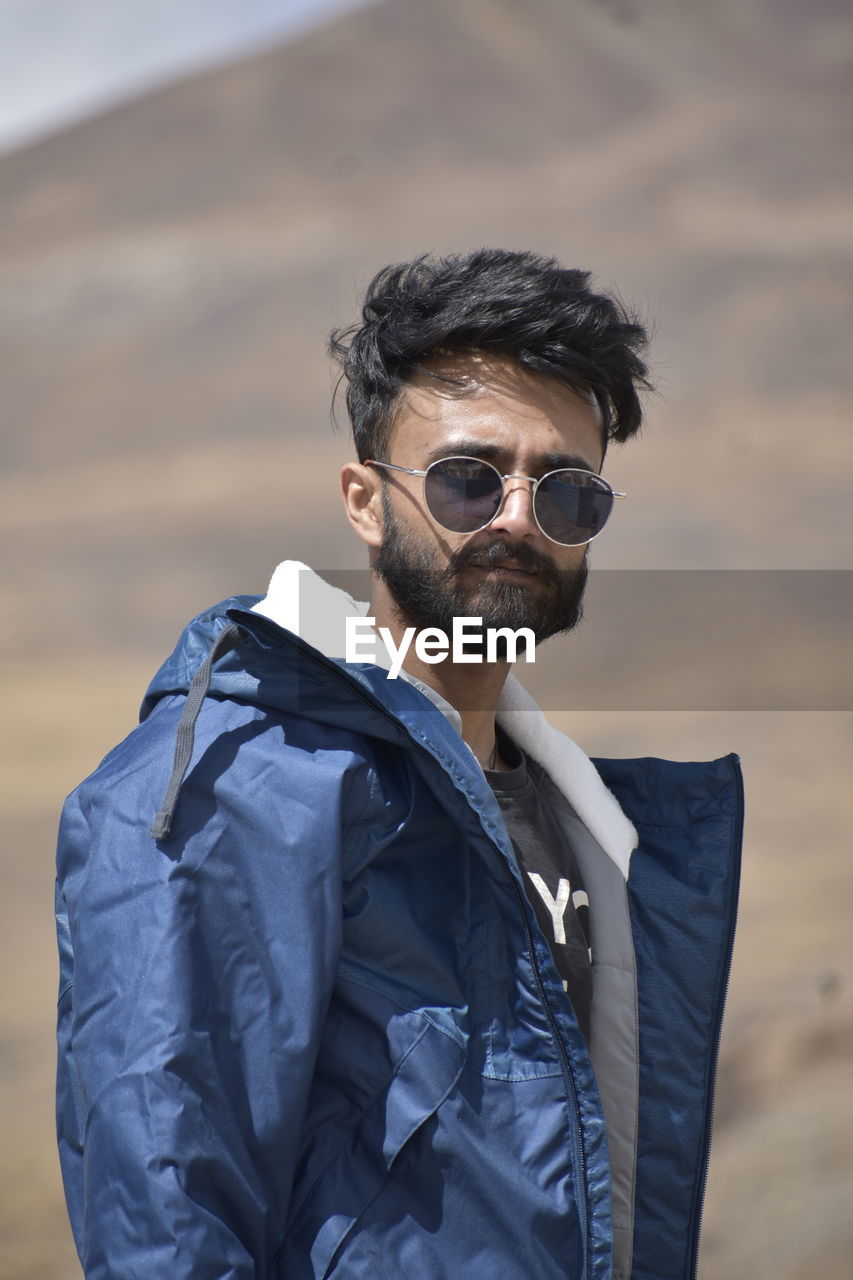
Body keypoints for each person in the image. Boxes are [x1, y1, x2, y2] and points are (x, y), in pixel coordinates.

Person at [55, 249, 742, 1280]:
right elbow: (166, 1224)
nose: (518, 516)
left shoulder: (593, 829)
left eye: (566, 492)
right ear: (364, 500)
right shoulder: (228, 788)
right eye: (470, 477)